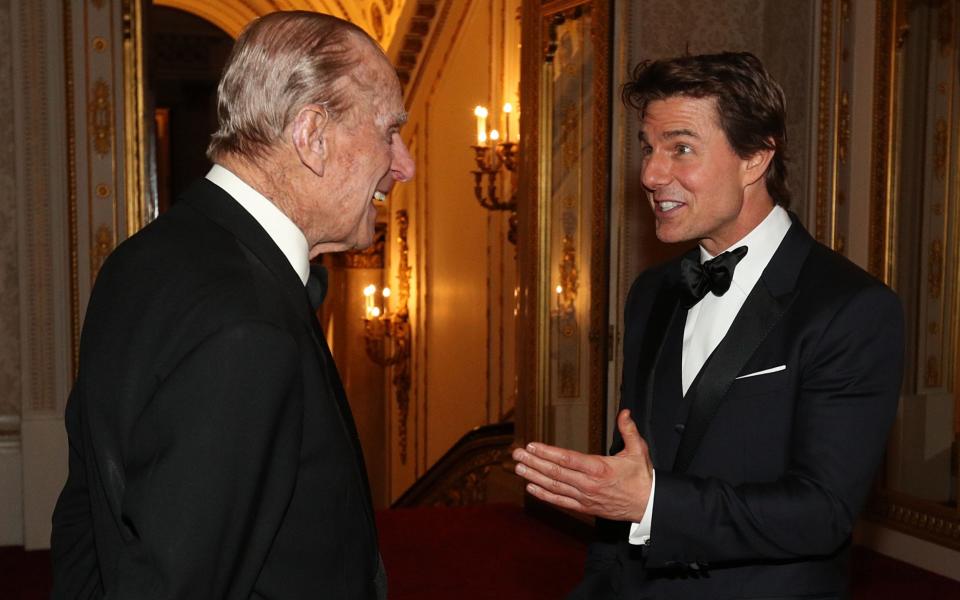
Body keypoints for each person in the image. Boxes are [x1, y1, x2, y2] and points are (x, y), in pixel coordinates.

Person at [50, 11, 414, 599]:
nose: (404, 164)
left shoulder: (147, 256)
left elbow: (87, 524)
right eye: (389, 130)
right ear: (313, 136)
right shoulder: (245, 328)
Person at [512, 52, 903, 599]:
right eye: (648, 148)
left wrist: (652, 504)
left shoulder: (852, 308)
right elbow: (628, 467)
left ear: (756, 157)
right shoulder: (652, 291)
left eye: (681, 148)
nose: (650, 173)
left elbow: (822, 513)